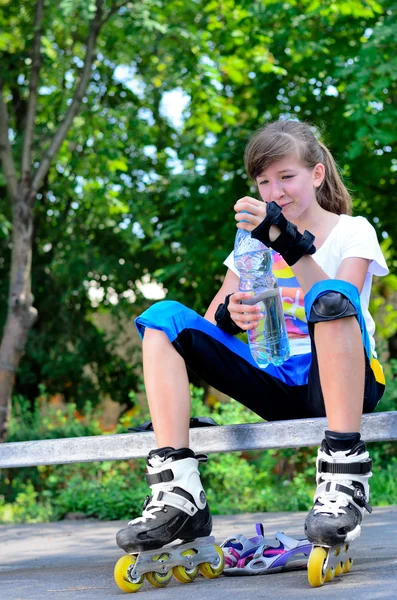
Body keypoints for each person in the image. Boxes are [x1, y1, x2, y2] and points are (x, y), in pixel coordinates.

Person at [116, 119, 388, 557]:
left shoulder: (352, 230)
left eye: (286, 177)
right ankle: (180, 493)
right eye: (264, 181)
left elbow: (343, 303)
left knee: (331, 297)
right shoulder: (250, 242)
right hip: (276, 379)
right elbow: (207, 325)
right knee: (163, 318)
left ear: (316, 175)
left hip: (343, 385)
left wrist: (285, 241)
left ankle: (343, 480)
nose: (275, 192)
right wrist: (230, 315)